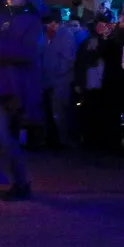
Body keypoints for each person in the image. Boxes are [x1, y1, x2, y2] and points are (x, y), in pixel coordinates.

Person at [0, 0, 43, 201]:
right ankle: (17, 180)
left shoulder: (31, 21)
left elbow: (28, 52)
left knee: (6, 135)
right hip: (0, 84)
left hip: (18, 87)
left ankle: (20, 181)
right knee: (4, 135)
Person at [75, 13, 124, 152]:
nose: (103, 28)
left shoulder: (116, 42)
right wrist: (79, 82)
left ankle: (110, 143)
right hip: (92, 85)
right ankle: (92, 141)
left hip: (109, 84)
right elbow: (82, 62)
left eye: (105, 25)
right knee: (92, 113)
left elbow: (116, 60)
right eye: (100, 25)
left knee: (109, 115)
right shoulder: (89, 42)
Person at [40, 15, 77, 148]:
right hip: (48, 79)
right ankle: (53, 138)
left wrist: (57, 72)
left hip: (61, 80)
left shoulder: (65, 35)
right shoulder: (48, 35)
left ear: (54, 22)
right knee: (51, 109)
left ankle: (64, 139)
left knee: (60, 110)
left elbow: (69, 59)